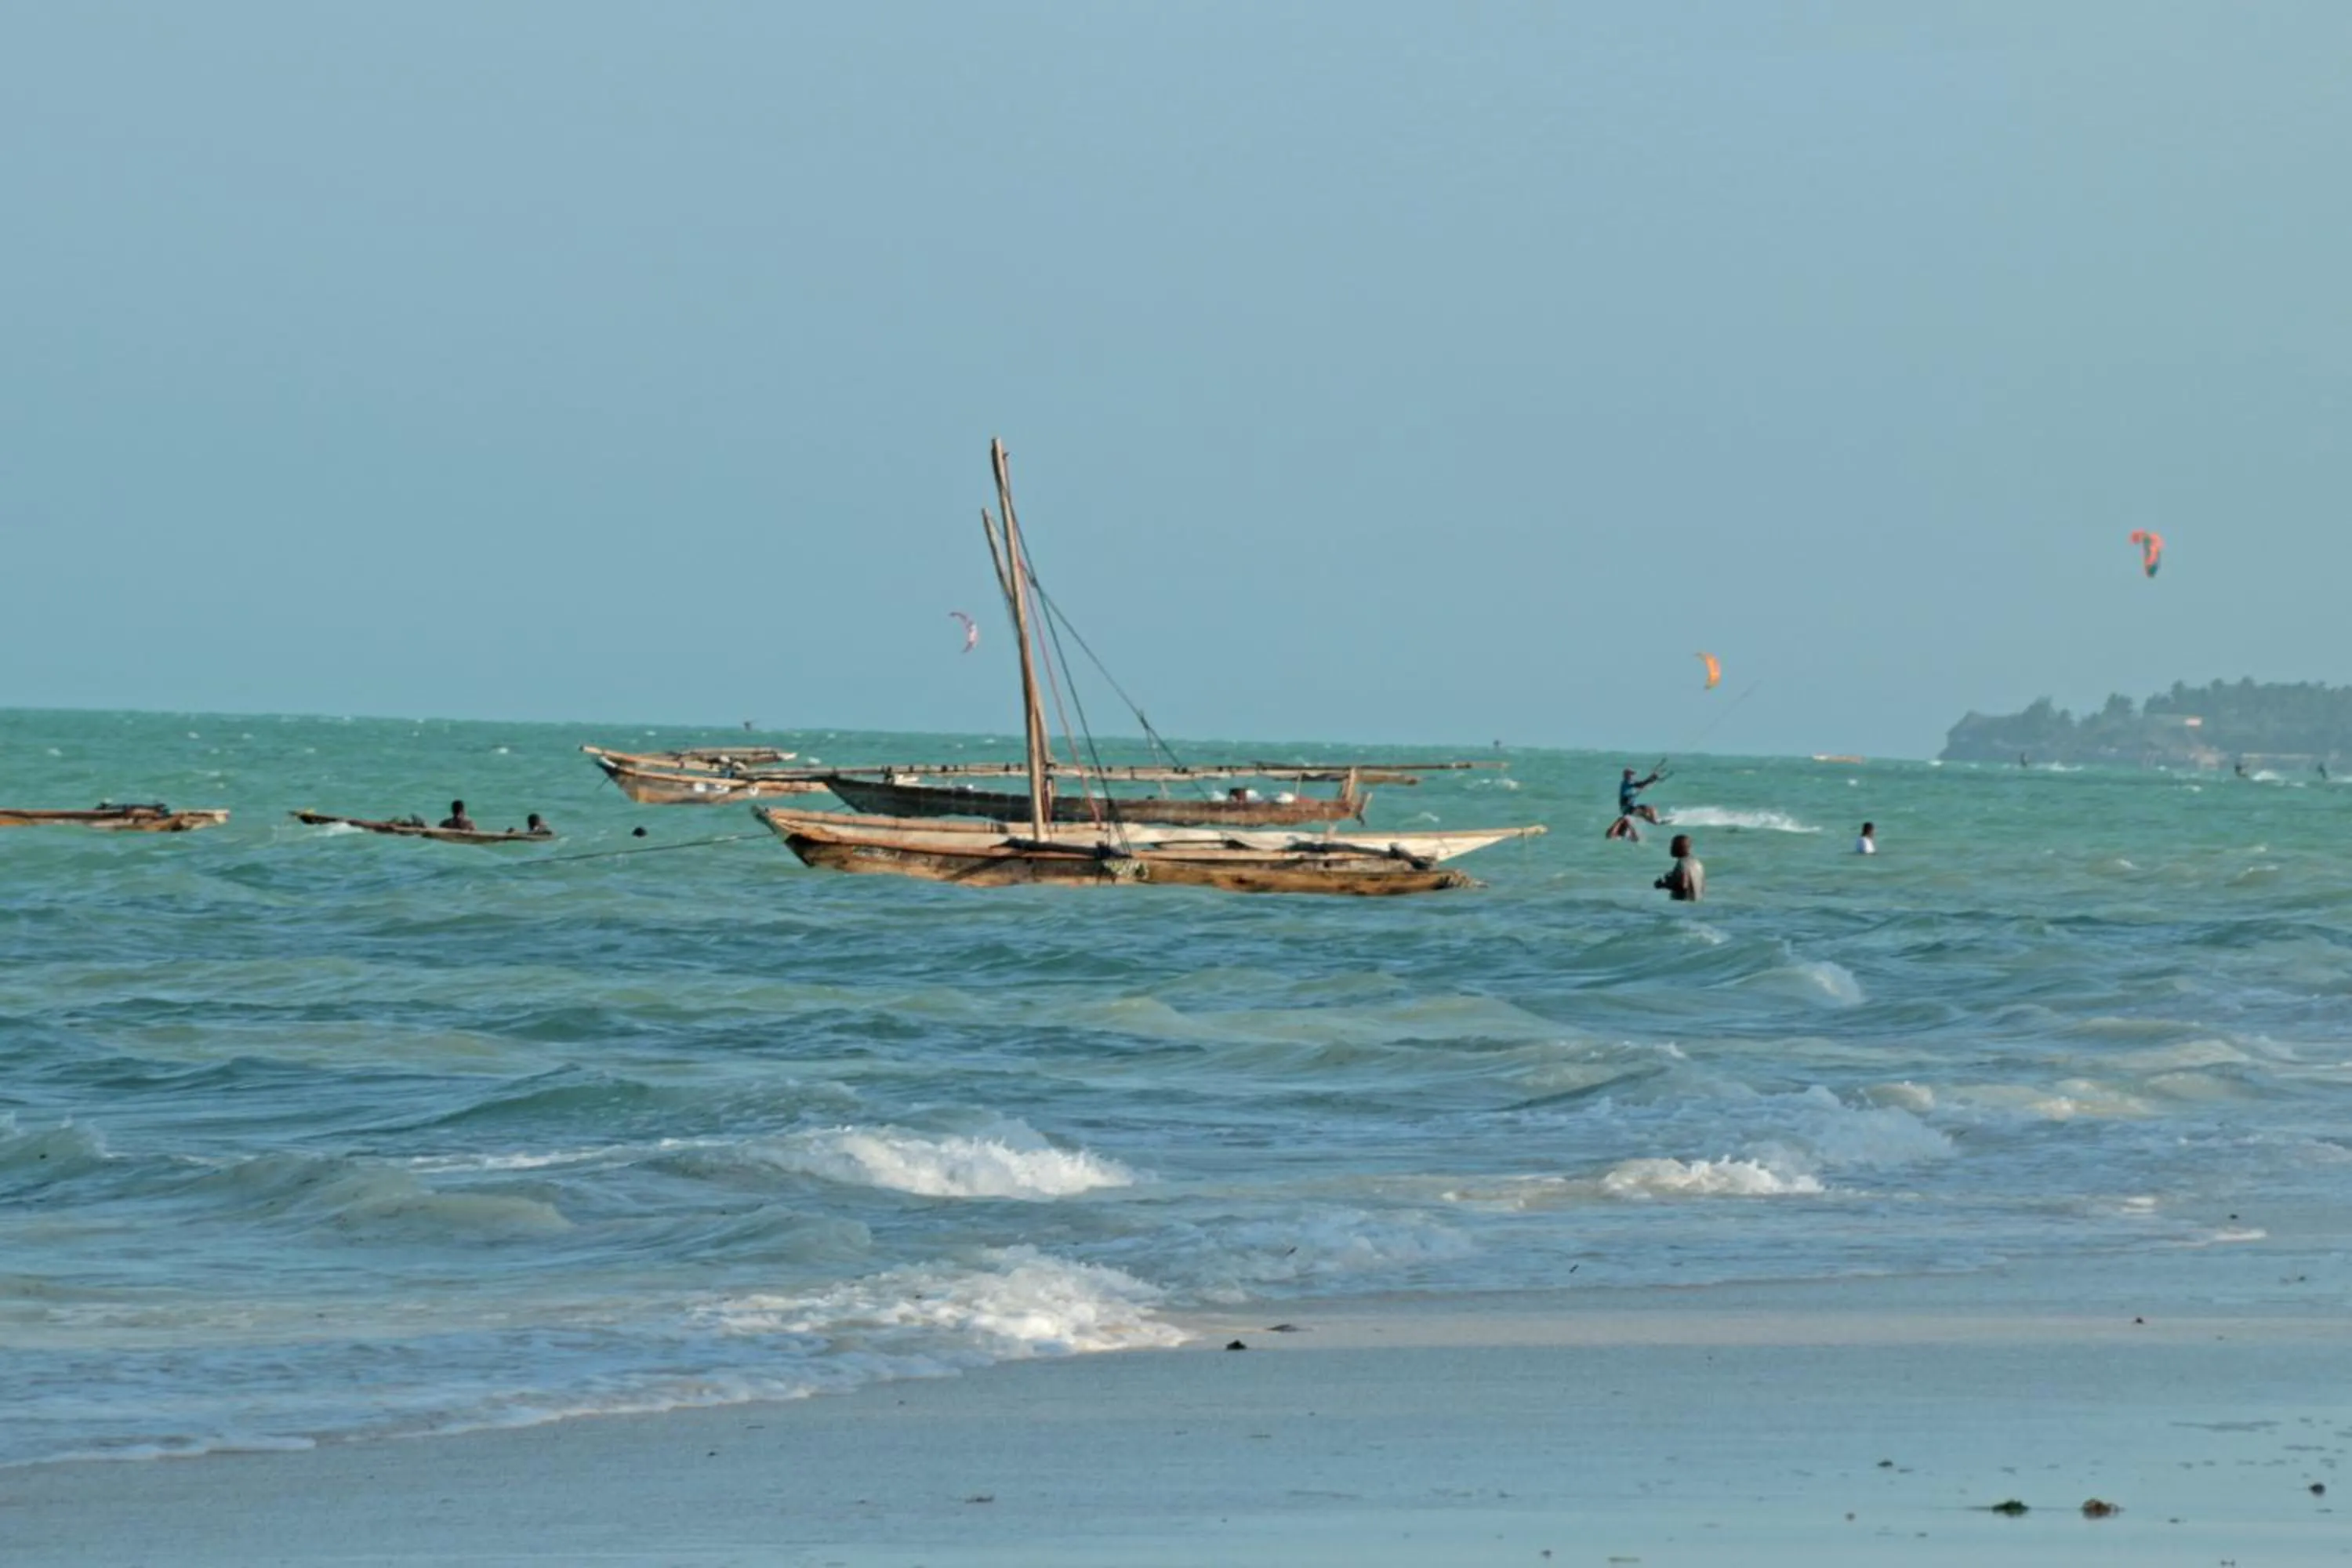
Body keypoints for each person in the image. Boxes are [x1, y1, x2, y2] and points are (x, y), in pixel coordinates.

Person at [1654, 833, 1704, 902]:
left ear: (1680, 848)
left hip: (1683, 905)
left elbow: (1682, 886)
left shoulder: (1682, 863)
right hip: (1696, 903)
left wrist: (1663, 885)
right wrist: (1673, 879)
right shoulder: (1697, 863)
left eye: (1673, 846)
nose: (1670, 848)